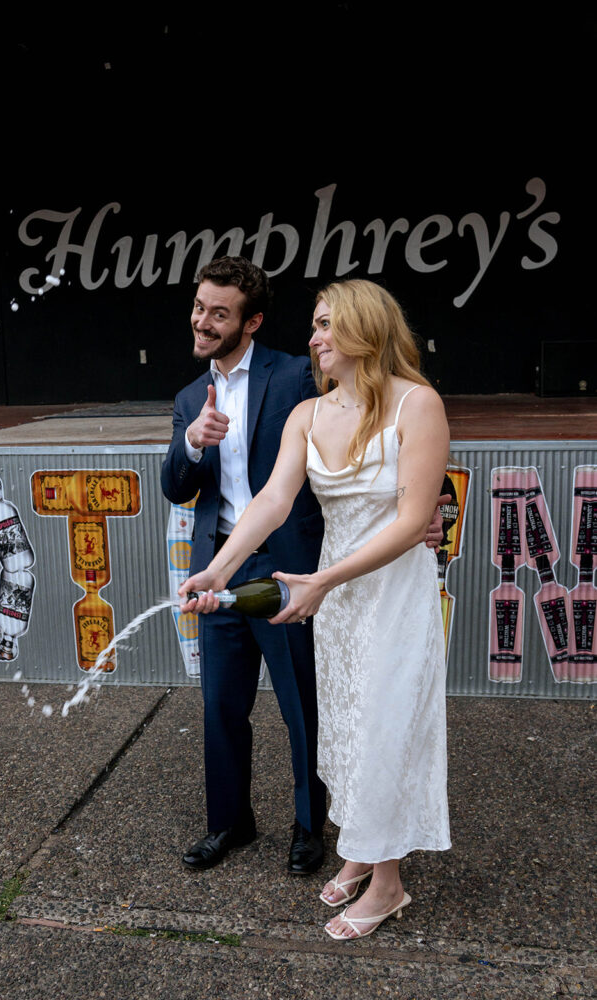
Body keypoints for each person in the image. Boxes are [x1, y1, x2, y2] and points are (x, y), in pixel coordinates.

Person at [179, 278, 451, 941]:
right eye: (314, 324)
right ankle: (361, 848)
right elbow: (271, 501)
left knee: (385, 727)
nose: (314, 338)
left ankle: (387, 885)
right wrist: (216, 569)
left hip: (390, 592)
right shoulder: (308, 413)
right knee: (349, 727)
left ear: (363, 328)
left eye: (326, 324)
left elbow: (412, 520)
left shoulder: (417, 404)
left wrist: (322, 580)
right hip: (334, 597)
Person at [161, 256, 328, 875]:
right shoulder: (189, 398)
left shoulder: (296, 376)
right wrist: (190, 442)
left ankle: (309, 825)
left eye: (219, 313)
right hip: (219, 564)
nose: (202, 321)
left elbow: (352, 440)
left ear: (251, 322)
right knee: (221, 706)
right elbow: (176, 488)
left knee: (300, 705)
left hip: (286, 565)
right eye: (199, 307)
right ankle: (230, 822)